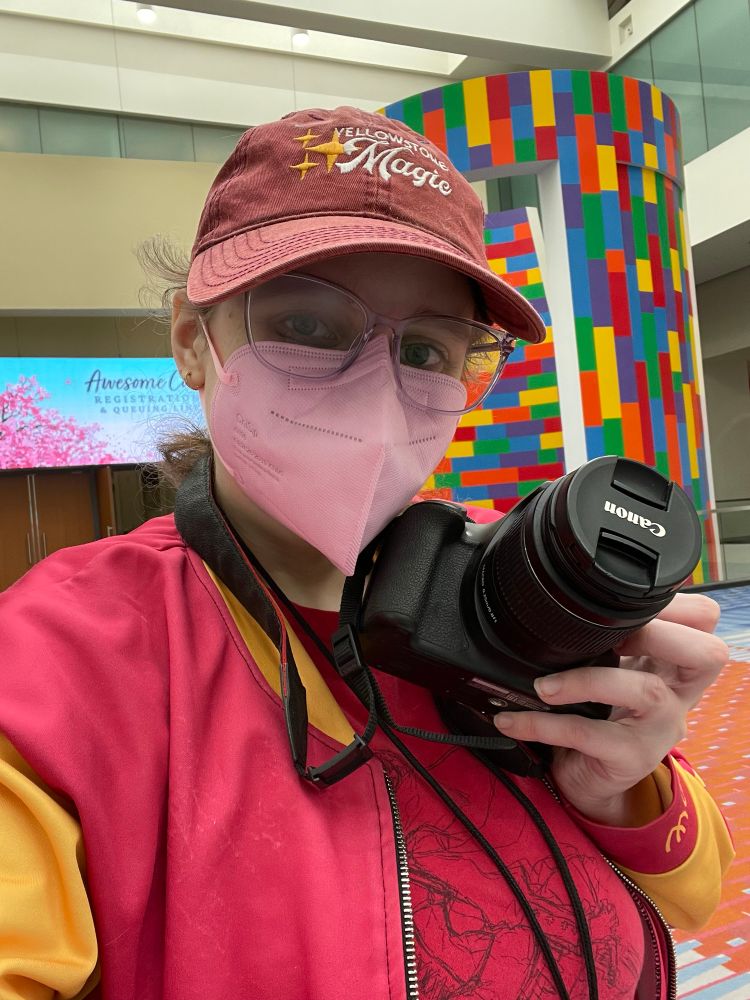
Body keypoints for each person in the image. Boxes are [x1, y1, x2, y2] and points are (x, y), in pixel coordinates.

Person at [0, 106, 734, 1000]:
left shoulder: (503, 590)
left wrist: (620, 788)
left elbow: (694, 895)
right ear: (195, 343)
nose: (378, 388)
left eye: (426, 348)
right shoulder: (57, 663)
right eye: (308, 326)